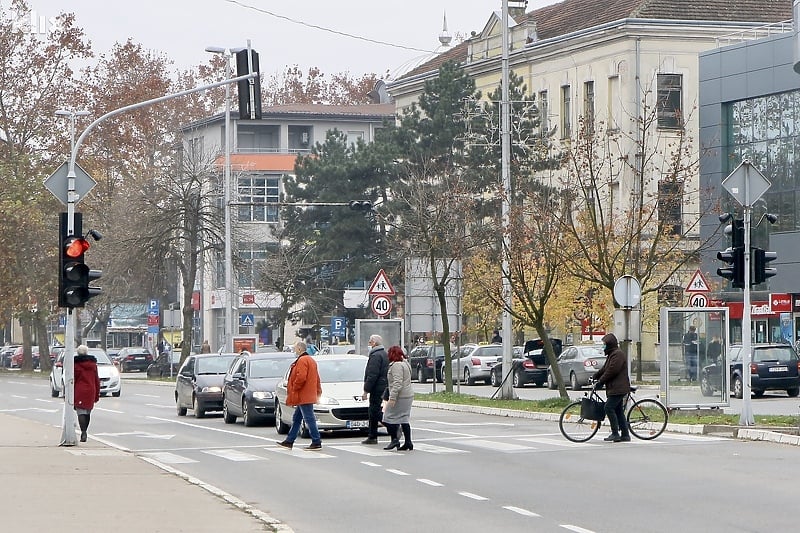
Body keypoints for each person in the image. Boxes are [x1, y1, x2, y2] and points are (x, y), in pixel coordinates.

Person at [277, 341, 323, 450]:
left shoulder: (302, 360)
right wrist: (318, 391)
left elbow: (301, 377)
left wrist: (295, 387)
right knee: (297, 418)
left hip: (303, 395)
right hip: (308, 394)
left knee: (309, 418)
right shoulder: (311, 360)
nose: (294, 350)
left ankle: (316, 441)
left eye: (295, 348)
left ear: (299, 349)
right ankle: (289, 440)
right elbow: (317, 378)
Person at [592, 333, 631, 443]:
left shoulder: (617, 355)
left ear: (610, 344)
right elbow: (605, 368)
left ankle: (615, 433)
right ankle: (625, 435)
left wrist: (600, 382)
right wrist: (595, 376)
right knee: (618, 411)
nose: (603, 346)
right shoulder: (612, 354)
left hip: (618, 388)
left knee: (608, 408)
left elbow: (612, 371)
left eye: (604, 344)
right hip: (615, 387)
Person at [382, 345, 414, 451]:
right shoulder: (406, 363)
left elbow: (397, 383)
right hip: (408, 395)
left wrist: (392, 397)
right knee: (404, 419)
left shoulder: (396, 366)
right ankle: (408, 442)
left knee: (387, 418)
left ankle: (394, 439)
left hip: (400, 397)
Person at [361, 334, 389, 445]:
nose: (369, 344)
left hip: (377, 387)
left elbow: (372, 375)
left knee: (374, 411)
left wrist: (366, 390)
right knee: (373, 411)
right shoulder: (383, 354)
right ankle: (372, 436)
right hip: (382, 385)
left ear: (374, 343)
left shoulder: (375, 356)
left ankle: (393, 426)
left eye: (370, 342)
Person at [74, 344, 100, 443]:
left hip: (79, 390)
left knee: (81, 412)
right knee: (87, 412)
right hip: (91, 390)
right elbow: (96, 379)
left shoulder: (75, 365)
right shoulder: (93, 365)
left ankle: (83, 431)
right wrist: (97, 393)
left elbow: (73, 380)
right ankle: (85, 431)